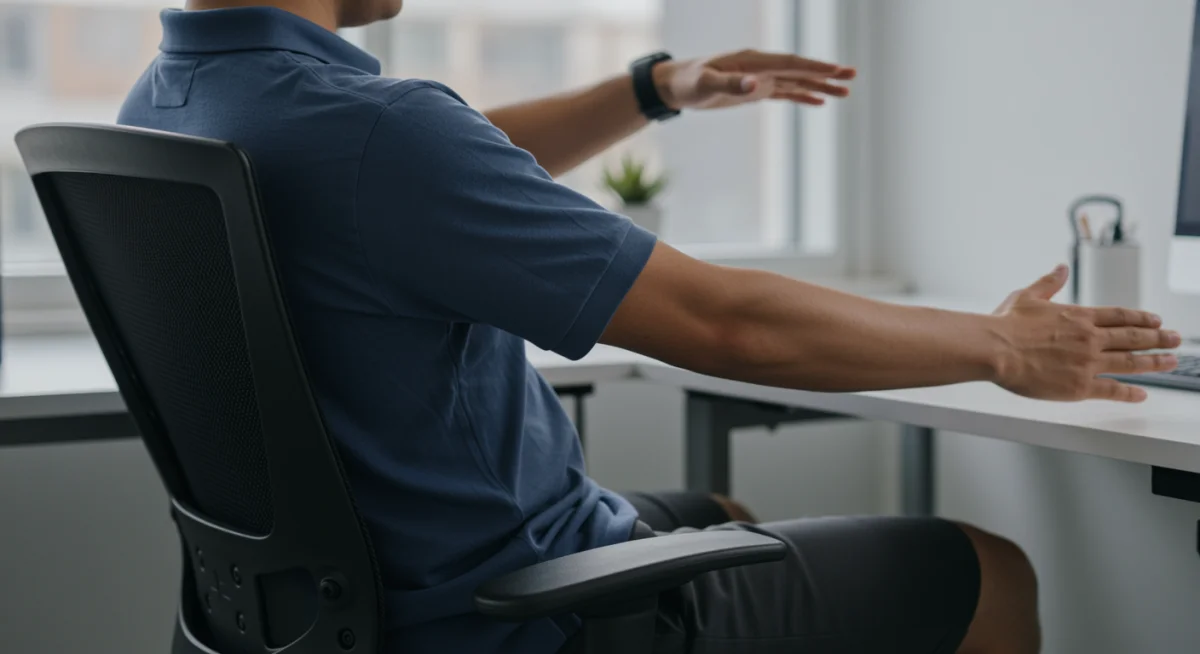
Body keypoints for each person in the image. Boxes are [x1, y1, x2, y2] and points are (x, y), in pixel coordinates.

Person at [118, 2, 1180, 653]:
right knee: (992, 576)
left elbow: (428, 162)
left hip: (319, 608)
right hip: (505, 619)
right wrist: (999, 345)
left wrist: (652, 90)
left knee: (719, 510)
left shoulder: (171, 105)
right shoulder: (374, 134)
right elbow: (727, 325)